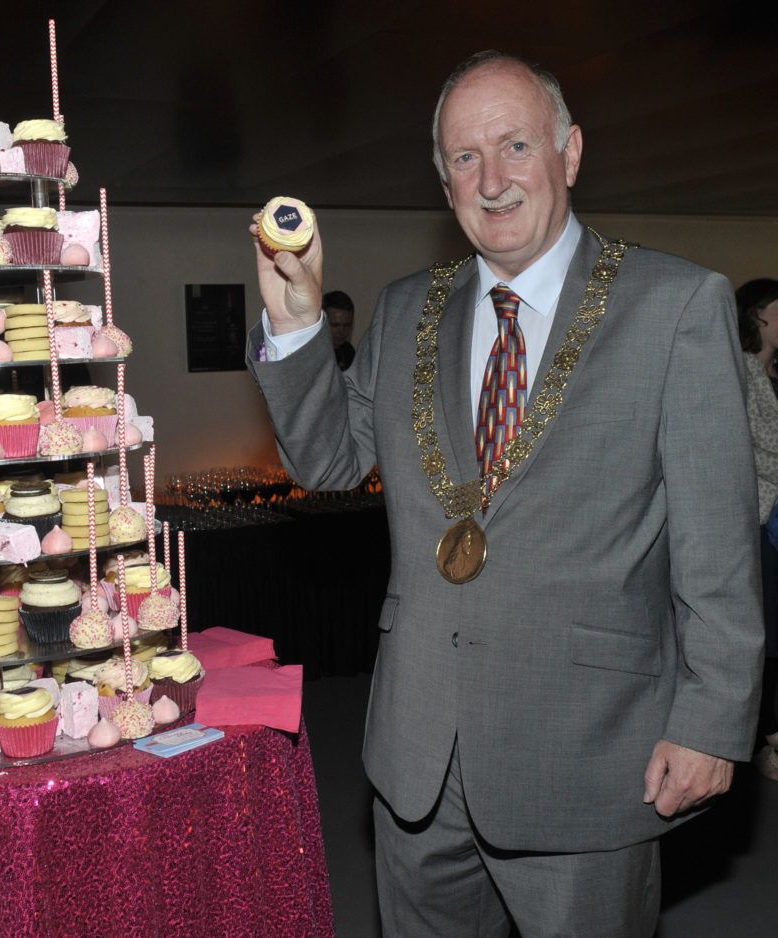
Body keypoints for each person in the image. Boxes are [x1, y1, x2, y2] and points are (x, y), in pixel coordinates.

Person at [247, 51, 762, 936]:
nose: (491, 181)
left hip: (590, 751)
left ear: (569, 152)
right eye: (463, 157)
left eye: (516, 145)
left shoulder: (673, 305)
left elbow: (718, 540)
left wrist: (713, 720)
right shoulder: (410, 306)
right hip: (417, 752)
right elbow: (330, 461)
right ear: (442, 180)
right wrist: (295, 321)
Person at [737, 277, 778, 780]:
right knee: (764, 634)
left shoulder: (771, 373)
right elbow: (759, 444)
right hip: (758, 517)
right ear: (759, 316)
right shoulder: (744, 370)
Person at [323, 290, 356, 370]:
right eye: (335, 325)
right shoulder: (309, 352)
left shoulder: (348, 352)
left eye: (347, 325)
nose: (341, 331)